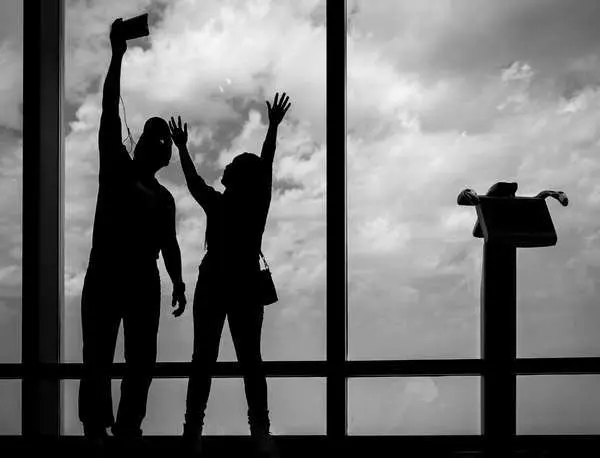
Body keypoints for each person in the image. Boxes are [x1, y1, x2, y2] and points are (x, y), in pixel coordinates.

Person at [78, 18, 187, 450]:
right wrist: (117, 55)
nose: (158, 143)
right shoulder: (119, 168)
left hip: (137, 278)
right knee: (100, 358)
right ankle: (100, 429)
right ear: (143, 145)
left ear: (162, 156)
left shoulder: (162, 198)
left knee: (138, 362)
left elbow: (170, 245)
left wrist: (177, 280)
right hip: (110, 273)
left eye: (163, 141)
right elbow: (109, 106)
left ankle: (124, 430)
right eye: (155, 137)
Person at [169, 92, 291, 457]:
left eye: (233, 166)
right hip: (246, 286)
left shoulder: (219, 205)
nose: (227, 168)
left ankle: (192, 433)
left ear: (233, 178)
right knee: (250, 360)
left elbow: (193, 183)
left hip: (213, 284)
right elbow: (266, 162)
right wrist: (272, 127)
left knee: (203, 359)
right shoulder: (256, 208)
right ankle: (260, 431)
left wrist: (182, 149)